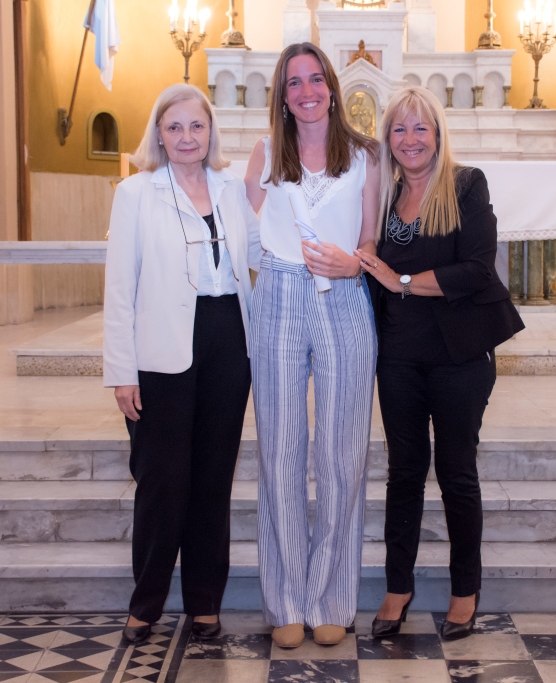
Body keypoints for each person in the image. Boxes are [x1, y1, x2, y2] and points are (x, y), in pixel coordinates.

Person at [357, 86, 524, 641]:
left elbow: (477, 269)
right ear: (388, 138)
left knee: (456, 473)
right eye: (399, 129)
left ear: (437, 133)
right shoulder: (382, 195)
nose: (410, 139)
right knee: (404, 473)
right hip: (398, 357)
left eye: (420, 128)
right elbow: (364, 263)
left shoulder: (466, 185)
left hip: (459, 355)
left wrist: (401, 280)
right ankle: (397, 587)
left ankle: (464, 591)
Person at [103, 83, 261, 646]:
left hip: (227, 340)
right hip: (161, 348)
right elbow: (120, 287)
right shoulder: (135, 193)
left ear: (210, 131)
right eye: (175, 127)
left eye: (196, 126)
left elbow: (259, 253)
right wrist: (122, 371)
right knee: (161, 480)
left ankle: (204, 603)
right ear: (159, 134)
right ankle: (145, 603)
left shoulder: (232, 189)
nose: (187, 137)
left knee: (213, 480)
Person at [244, 42, 380, 649]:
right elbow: (250, 229)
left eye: (315, 79)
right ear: (282, 94)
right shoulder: (266, 152)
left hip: (344, 298)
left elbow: (370, 240)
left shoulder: (366, 156)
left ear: (331, 86)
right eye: (294, 82)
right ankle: (286, 601)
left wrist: (353, 263)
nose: (306, 91)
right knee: (281, 449)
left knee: (341, 451)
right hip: (279, 296)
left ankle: (331, 597)